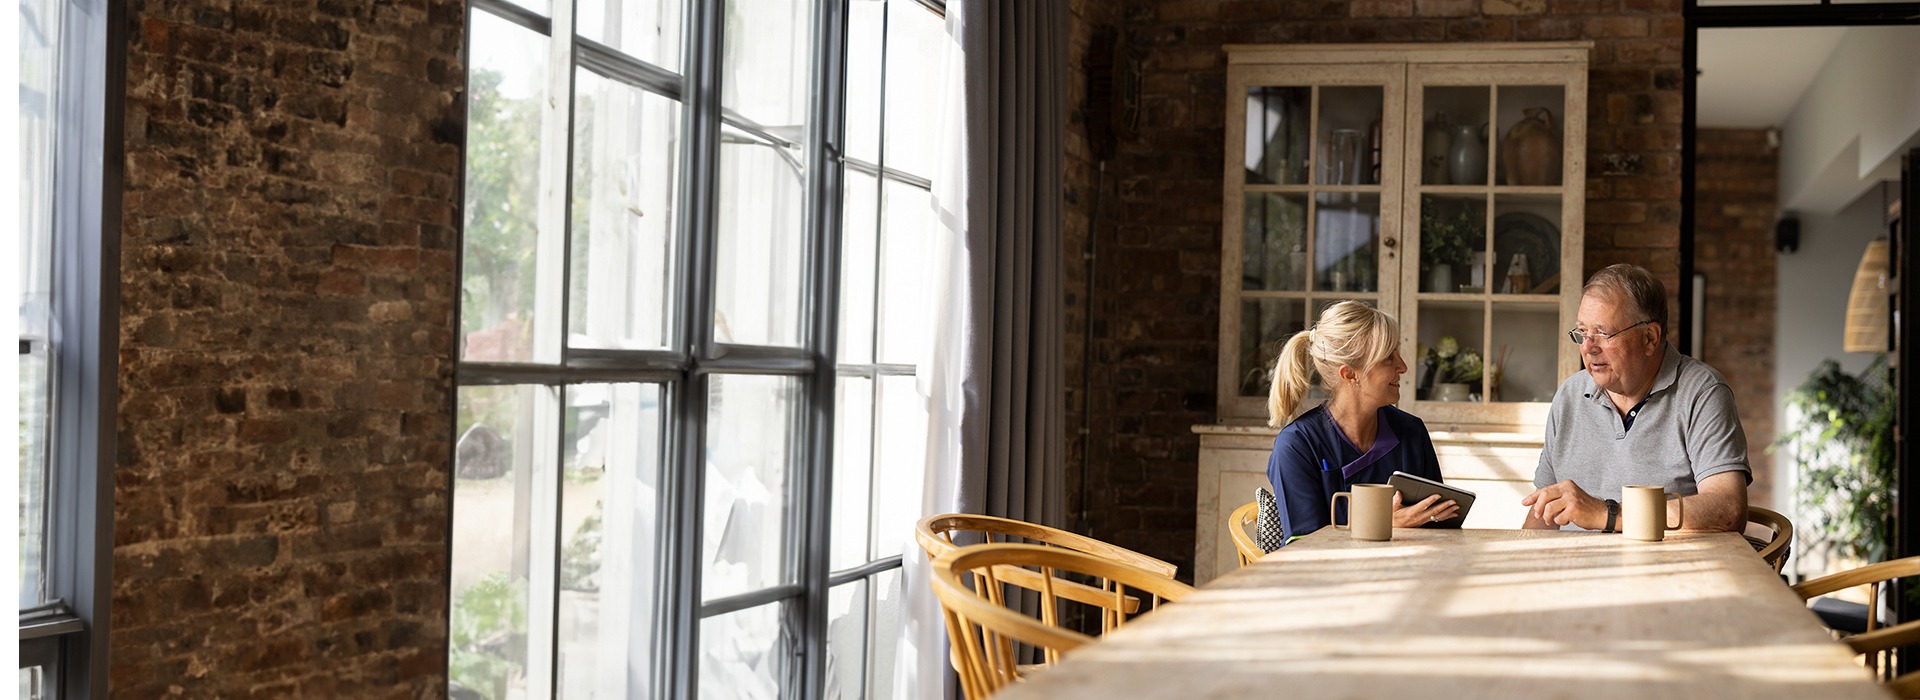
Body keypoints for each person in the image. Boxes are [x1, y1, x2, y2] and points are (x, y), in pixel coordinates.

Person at [1522, 264, 1750, 532]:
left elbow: (1728, 510)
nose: (1588, 348)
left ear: (1649, 338)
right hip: (1575, 571)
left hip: (1666, 571)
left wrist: (1609, 515)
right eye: (1582, 332)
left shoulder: (1702, 392)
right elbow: (1544, 514)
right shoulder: (1570, 395)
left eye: (1603, 333)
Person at [1265, 301, 1458, 542]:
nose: (1404, 367)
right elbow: (1304, 552)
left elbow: (1442, 528)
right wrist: (1384, 524)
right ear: (1349, 374)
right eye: (1389, 358)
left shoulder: (1412, 431)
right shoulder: (1296, 446)